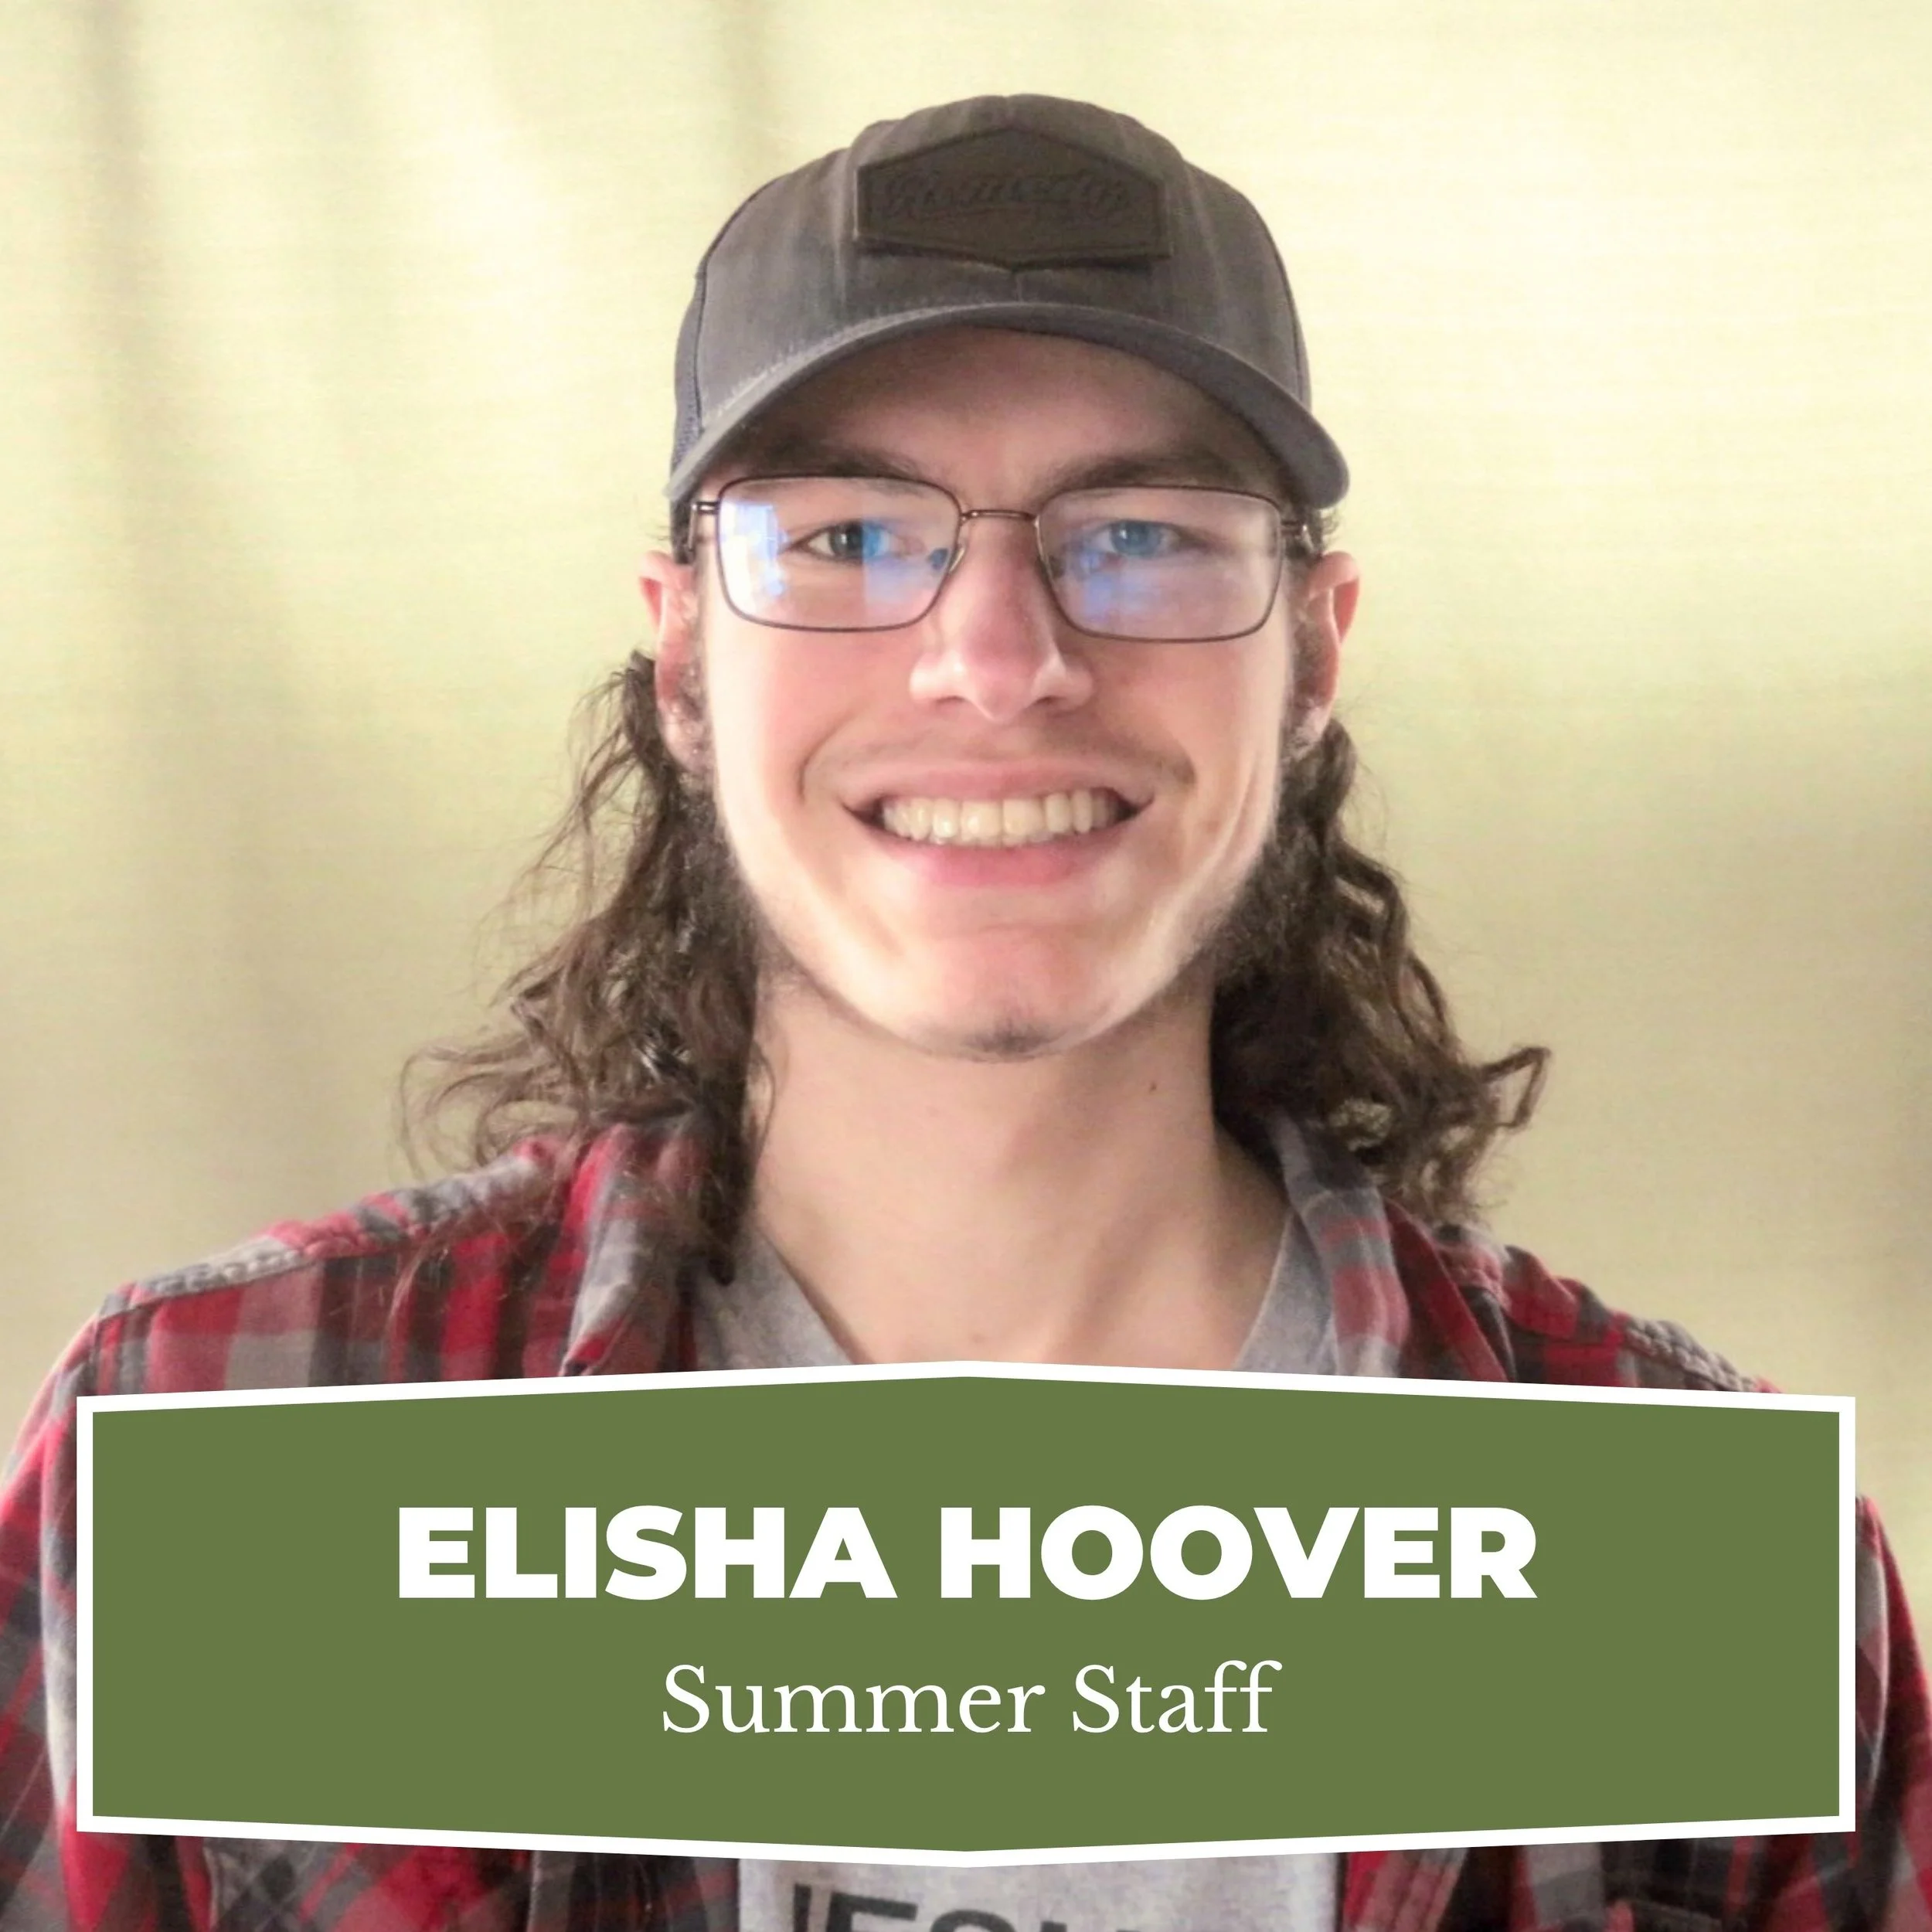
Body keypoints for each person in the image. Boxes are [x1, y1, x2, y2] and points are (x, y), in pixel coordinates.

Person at [2, 92, 1927, 1932]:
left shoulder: (1692, 1576)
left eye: (1141, 536)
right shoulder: (212, 1444)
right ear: (683, 657)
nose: (996, 663)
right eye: (845, 538)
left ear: (1314, 650)